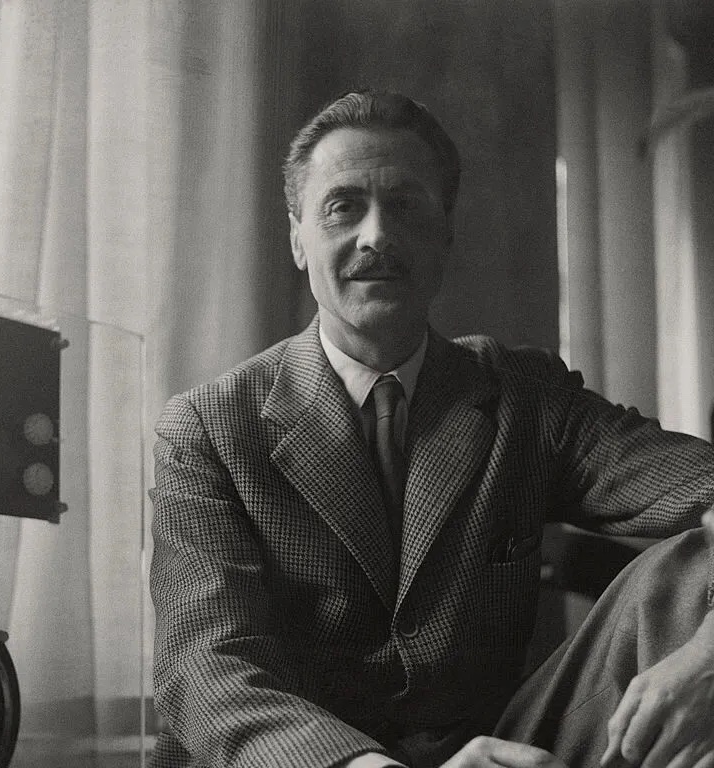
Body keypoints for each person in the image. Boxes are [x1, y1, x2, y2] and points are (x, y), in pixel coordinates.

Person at [148, 90, 714, 768]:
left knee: (691, 569)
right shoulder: (208, 429)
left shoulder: (524, 396)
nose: (377, 235)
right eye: (343, 206)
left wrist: (709, 660)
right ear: (298, 237)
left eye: (406, 206)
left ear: (446, 234)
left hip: (506, 753)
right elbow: (207, 671)